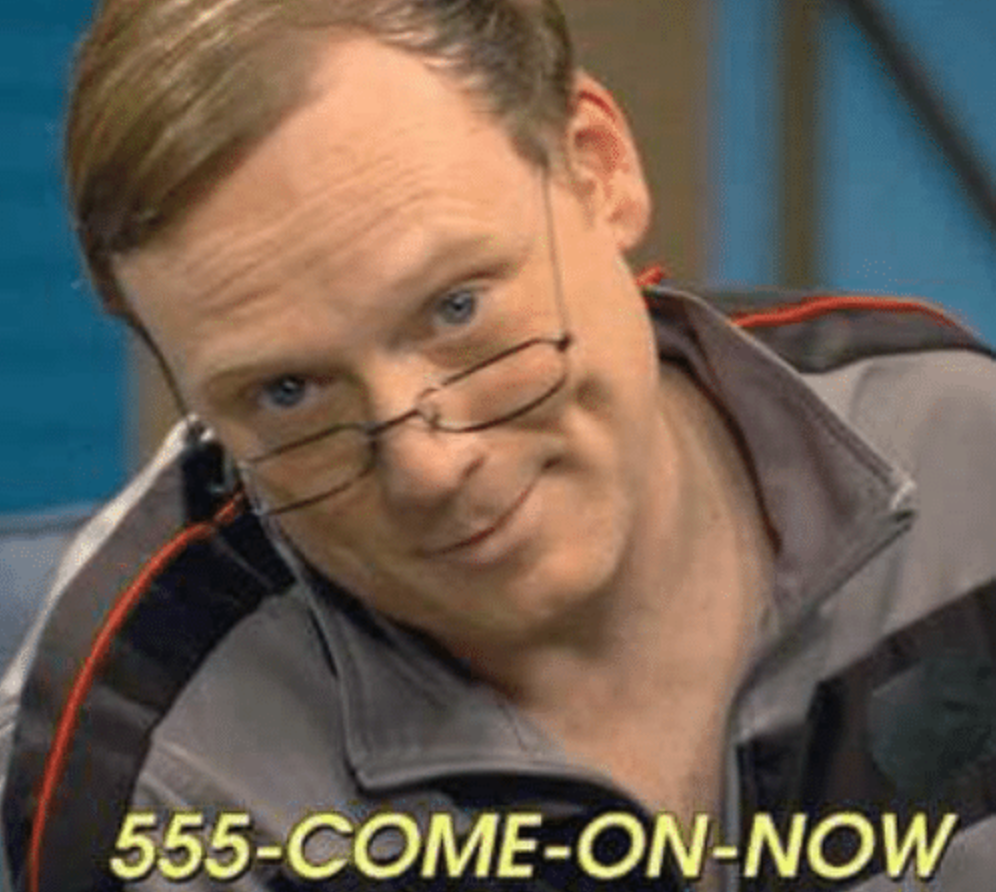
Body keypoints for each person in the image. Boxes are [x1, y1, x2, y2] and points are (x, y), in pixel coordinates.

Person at [3, 1, 996, 890]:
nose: (430, 467)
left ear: (598, 168)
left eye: (457, 307)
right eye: (287, 392)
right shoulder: (151, 768)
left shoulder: (963, 451)